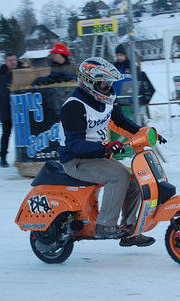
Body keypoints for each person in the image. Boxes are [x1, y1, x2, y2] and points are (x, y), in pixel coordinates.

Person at [58, 57, 166, 246]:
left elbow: (121, 123)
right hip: (75, 160)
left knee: (134, 180)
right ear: (88, 82)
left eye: (109, 83)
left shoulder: (106, 100)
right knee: (118, 176)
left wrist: (147, 134)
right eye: (103, 83)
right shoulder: (74, 106)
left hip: (96, 156)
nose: (108, 87)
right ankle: (105, 226)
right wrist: (104, 148)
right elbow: (74, 144)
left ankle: (130, 229)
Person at [0, 52, 22, 167]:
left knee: (25, 134)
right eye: (10, 60)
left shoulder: (23, 71)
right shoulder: (0, 74)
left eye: (14, 59)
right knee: (6, 134)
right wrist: (0, 104)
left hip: (21, 110)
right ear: (6, 62)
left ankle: (27, 157)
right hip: (6, 110)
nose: (13, 62)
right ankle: (2, 158)